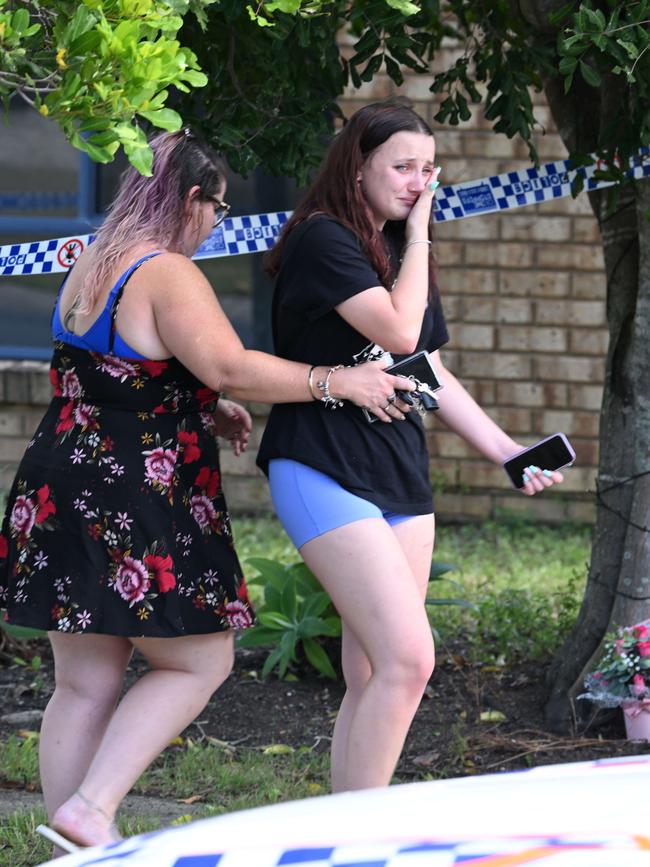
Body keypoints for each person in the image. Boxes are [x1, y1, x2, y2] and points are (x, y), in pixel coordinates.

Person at [0, 129, 416, 854]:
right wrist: (334, 380)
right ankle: (93, 806)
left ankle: (75, 844)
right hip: (137, 490)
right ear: (191, 197)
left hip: (59, 479)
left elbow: (114, 370)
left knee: (84, 682)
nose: (216, 223)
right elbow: (233, 364)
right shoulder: (164, 271)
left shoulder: (87, 262)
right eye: (217, 208)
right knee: (200, 659)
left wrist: (193, 402)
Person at [256, 99, 564, 793]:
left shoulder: (394, 245)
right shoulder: (323, 236)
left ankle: (339, 825)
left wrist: (507, 451)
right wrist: (422, 233)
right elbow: (399, 331)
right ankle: (362, 835)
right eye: (402, 166)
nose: (418, 182)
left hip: (397, 466)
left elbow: (422, 366)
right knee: (408, 659)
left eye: (428, 168)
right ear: (357, 165)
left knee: (372, 669)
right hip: (321, 461)